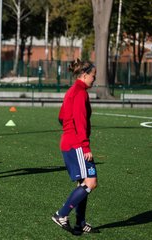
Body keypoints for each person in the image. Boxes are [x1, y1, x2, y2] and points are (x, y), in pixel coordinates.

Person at [51, 58, 100, 235]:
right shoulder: (80, 92)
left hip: (70, 142)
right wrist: (85, 146)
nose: (95, 79)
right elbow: (79, 121)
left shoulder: (72, 91)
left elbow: (61, 117)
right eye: (93, 76)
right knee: (91, 182)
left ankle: (80, 223)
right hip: (76, 144)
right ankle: (61, 214)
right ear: (84, 75)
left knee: (83, 183)